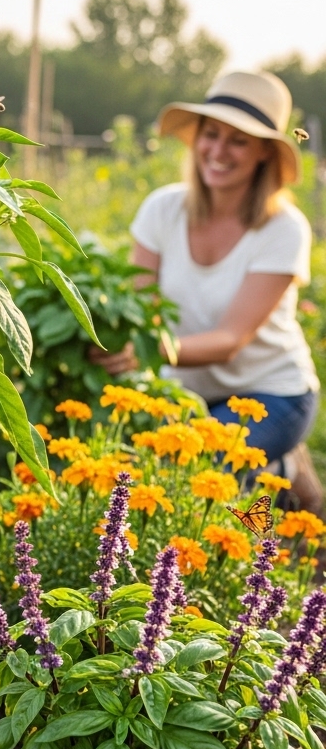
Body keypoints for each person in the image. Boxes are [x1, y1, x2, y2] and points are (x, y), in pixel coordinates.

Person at [93, 71, 322, 511]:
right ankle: (267, 466)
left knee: (190, 476)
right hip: (184, 393)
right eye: (210, 134)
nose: (218, 151)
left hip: (270, 393)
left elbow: (230, 341)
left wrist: (149, 351)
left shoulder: (282, 228)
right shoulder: (163, 209)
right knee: (132, 467)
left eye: (237, 140)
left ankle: (277, 467)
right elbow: (141, 311)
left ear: (262, 154)